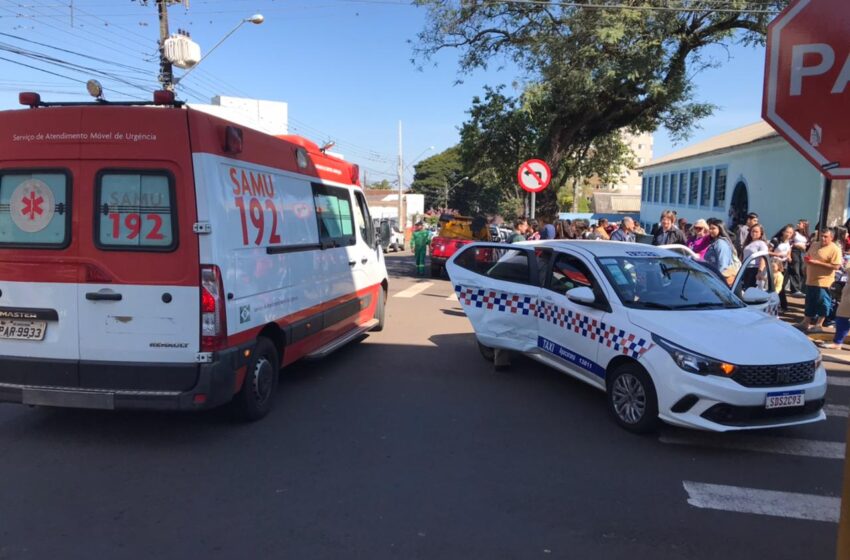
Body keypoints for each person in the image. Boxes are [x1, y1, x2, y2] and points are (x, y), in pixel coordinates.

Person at [796, 228, 842, 333]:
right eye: (821, 235)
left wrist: (818, 263)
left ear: (832, 237)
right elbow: (807, 256)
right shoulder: (815, 244)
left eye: (825, 236)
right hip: (810, 279)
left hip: (824, 282)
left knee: (823, 303)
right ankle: (805, 322)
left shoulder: (835, 249)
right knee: (809, 302)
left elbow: (836, 266)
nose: (822, 238)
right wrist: (805, 265)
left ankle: (819, 324)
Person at [703, 218, 739, 286]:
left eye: (713, 228)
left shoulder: (721, 243)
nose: (710, 230)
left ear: (720, 229)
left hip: (717, 281)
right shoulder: (715, 242)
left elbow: (723, 265)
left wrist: (718, 281)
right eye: (710, 228)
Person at [769, 224, 795, 312]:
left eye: (791, 233)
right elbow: (767, 251)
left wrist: (789, 258)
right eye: (787, 232)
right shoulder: (775, 240)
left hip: (784, 265)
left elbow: (789, 253)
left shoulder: (790, 242)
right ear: (783, 232)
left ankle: (782, 305)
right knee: (776, 285)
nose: (788, 234)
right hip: (774, 264)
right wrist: (778, 255)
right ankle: (781, 305)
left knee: (781, 285)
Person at [741, 224, 769, 289]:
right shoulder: (748, 243)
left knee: (749, 290)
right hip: (745, 268)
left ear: (761, 233)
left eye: (756, 232)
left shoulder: (762, 244)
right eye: (752, 231)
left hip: (754, 270)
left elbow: (763, 258)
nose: (754, 233)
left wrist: (759, 272)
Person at [787, 219, 810, 296]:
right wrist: (796, 245)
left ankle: (800, 288)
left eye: (799, 223)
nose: (797, 225)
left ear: (804, 225)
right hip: (795, 251)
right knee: (795, 269)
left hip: (803, 253)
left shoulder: (806, 235)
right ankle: (794, 289)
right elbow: (789, 242)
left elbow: (807, 245)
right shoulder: (795, 233)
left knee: (802, 270)